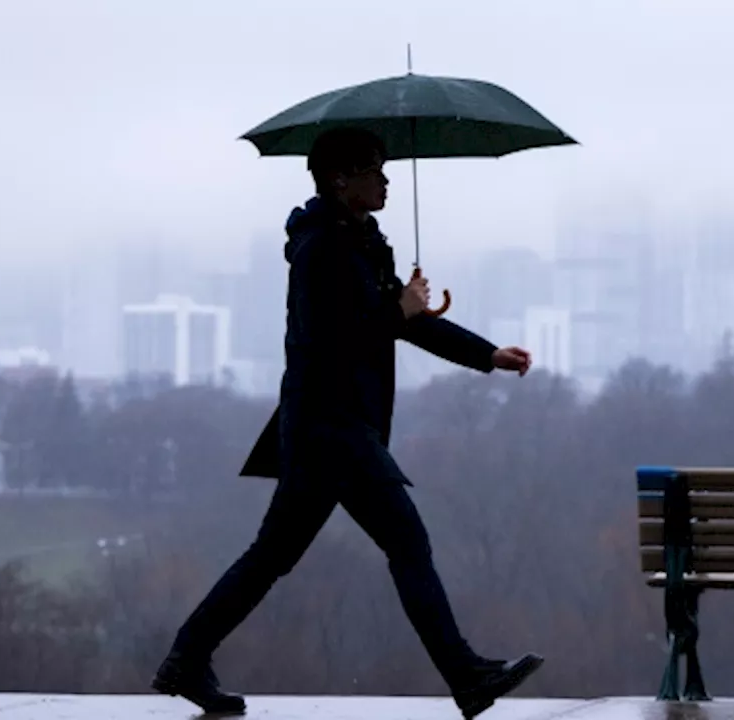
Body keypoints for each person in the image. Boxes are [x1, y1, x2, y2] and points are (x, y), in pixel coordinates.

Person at [151, 127, 542, 719]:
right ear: (340, 181)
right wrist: (396, 309)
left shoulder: (362, 241)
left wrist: (487, 354)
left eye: (385, 169)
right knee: (406, 542)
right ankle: (466, 675)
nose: (385, 179)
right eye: (373, 170)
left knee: (270, 557)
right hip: (330, 429)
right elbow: (333, 340)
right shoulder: (319, 251)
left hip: (334, 430)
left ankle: (185, 659)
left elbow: (400, 323)